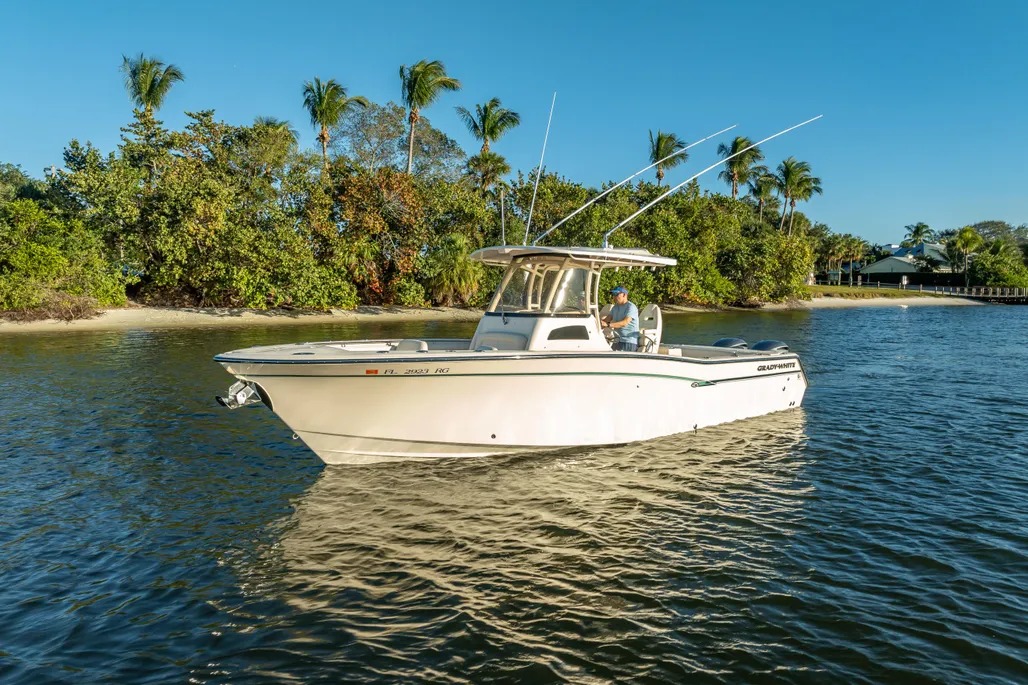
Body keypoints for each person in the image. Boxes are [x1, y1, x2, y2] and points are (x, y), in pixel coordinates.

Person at [600, 286, 639, 351]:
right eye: (613, 295)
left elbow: (624, 323)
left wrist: (608, 325)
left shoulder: (631, 307)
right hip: (617, 341)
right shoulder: (615, 307)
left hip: (628, 342)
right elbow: (607, 319)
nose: (614, 297)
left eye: (616, 294)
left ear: (624, 295)